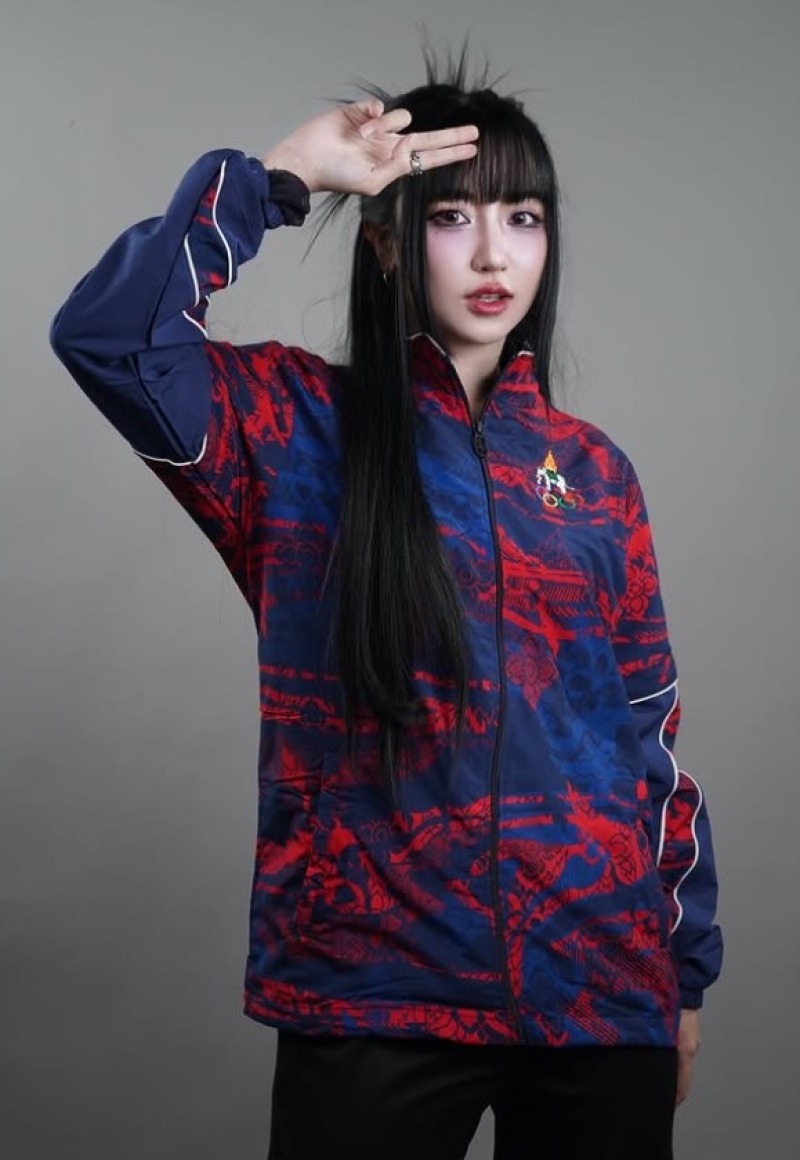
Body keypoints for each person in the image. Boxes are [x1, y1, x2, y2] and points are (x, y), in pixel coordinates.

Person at [51, 51, 722, 1160]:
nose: (495, 253)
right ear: (387, 241)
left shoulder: (594, 474)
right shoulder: (291, 430)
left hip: (601, 988)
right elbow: (112, 337)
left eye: (522, 217)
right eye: (452, 217)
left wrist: (680, 975)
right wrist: (280, 177)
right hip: (372, 987)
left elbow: (648, 735)